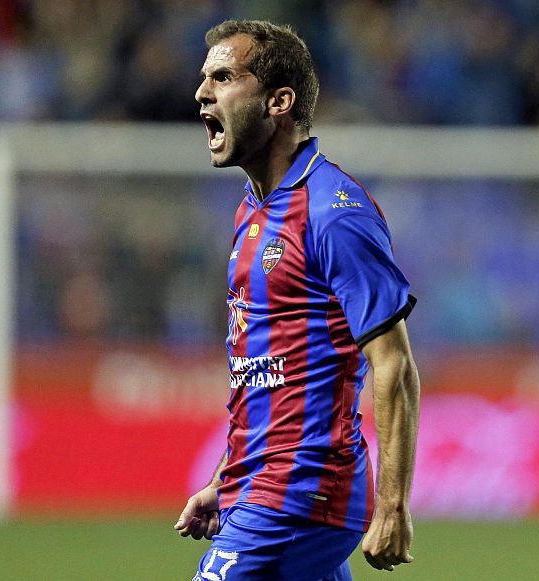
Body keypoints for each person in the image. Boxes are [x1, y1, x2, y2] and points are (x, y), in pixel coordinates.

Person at [174, 20, 421, 581]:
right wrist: (225, 477)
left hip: (301, 492)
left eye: (223, 77)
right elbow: (262, 371)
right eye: (203, 78)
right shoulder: (252, 209)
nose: (201, 93)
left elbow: (395, 365)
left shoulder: (334, 212)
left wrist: (393, 505)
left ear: (279, 101)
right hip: (261, 485)